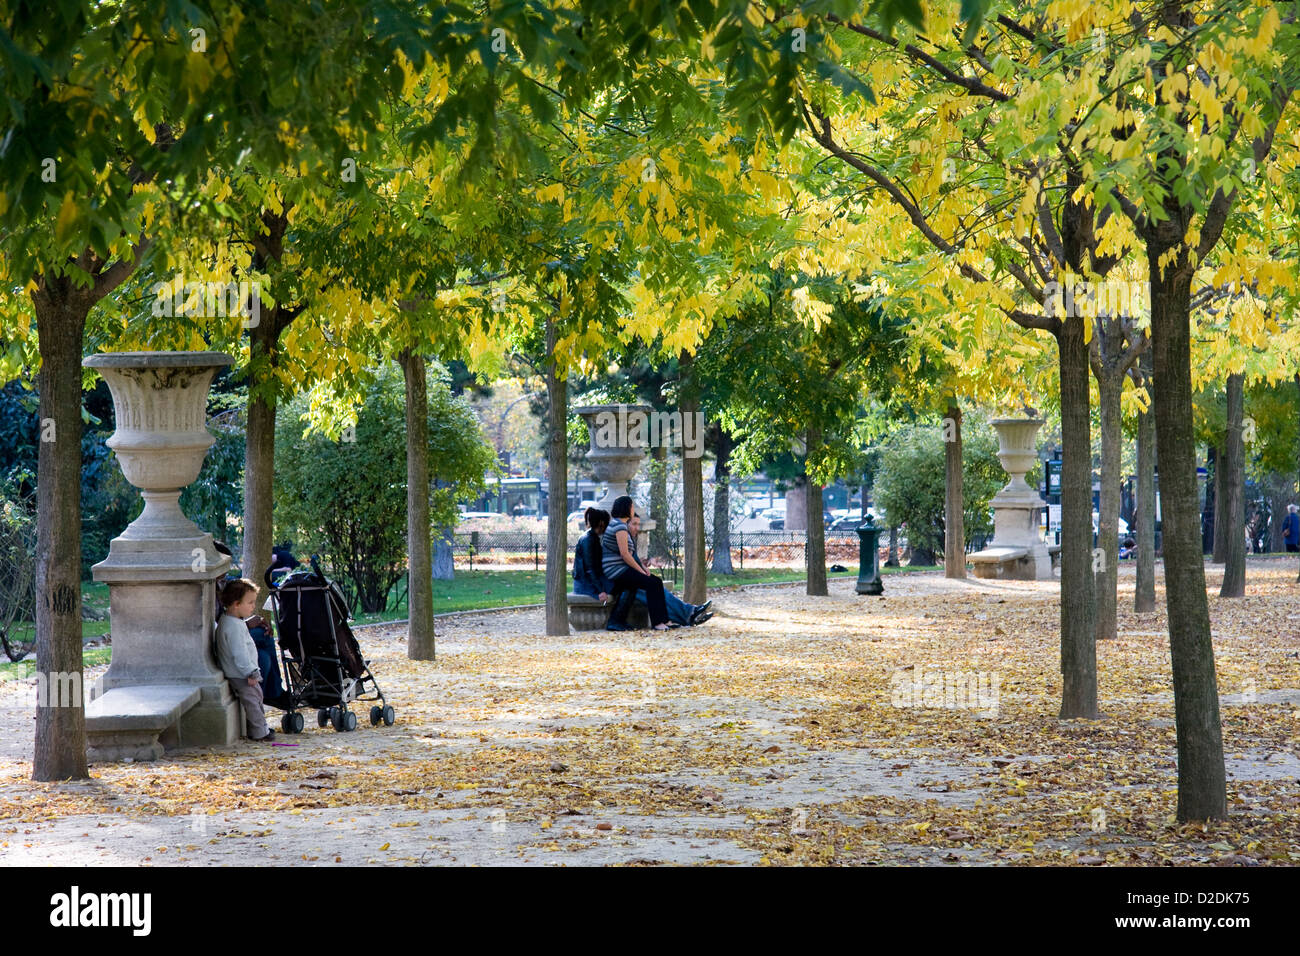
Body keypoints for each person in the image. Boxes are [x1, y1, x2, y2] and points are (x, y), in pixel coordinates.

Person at [619, 511, 713, 626]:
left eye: (638, 525)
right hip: (627, 584)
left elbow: (635, 561)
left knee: (661, 593)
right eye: (634, 524)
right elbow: (626, 561)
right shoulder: (621, 537)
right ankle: (690, 614)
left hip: (636, 580)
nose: (637, 528)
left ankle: (690, 614)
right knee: (658, 596)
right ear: (626, 524)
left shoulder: (629, 539)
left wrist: (648, 561)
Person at [217, 578, 275, 742]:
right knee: (253, 701)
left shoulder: (231, 621)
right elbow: (239, 654)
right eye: (250, 603)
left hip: (241, 671)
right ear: (236, 604)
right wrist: (251, 672)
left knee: (256, 698)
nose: (253, 606)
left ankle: (260, 727)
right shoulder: (233, 626)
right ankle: (259, 732)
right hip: (241, 673)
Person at [601, 496, 671, 631]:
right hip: (616, 570)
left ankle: (664, 620)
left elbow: (630, 554)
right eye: (632, 506)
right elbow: (625, 554)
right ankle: (658, 622)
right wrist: (641, 571)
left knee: (653, 582)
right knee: (652, 583)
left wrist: (643, 567)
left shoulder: (617, 524)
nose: (633, 509)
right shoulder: (619, 526)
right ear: (626, 508)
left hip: (619, 569)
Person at [573, 508, 615, 602]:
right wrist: (600, 591)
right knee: (623, 588)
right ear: (602, 523)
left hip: (590, 581)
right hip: (585, 584)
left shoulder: (593, 538)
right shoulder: (588, 540)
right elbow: (590, 569)